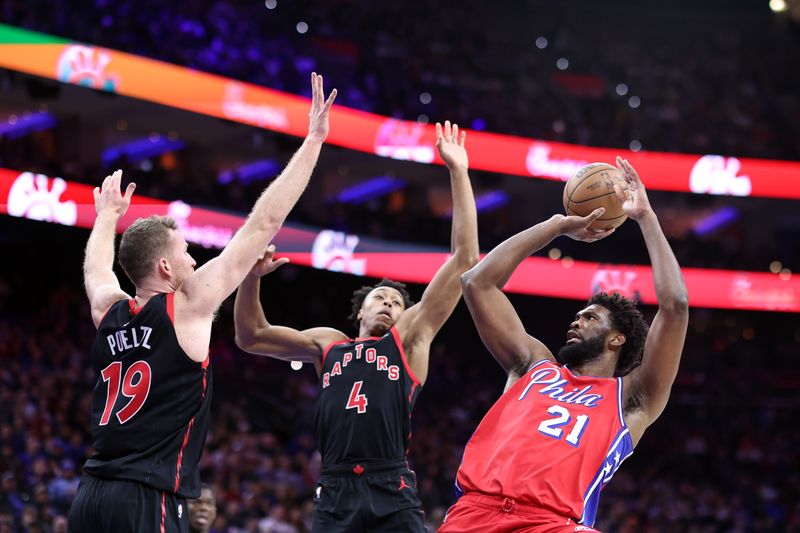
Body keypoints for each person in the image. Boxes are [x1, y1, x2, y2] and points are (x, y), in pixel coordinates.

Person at [67, 72, 337, 533]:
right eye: (186, 253)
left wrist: (106, 218)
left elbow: (96, 272)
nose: (194, 260)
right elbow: (262, 224)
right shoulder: (186, 305)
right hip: (146, 497)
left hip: (90, 496)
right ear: (166, 271)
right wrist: (313, 142)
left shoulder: (108, 312)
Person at [234, 121, 479, 532]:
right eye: (379, 298)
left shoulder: (410, 339)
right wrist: (250, 277)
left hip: (391, 484)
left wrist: (458, 172)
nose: (388, 303)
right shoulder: (330, 345)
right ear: (359, 314)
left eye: (397, 302)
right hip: (335, 487)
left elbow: (465, 258)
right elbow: (250, 336)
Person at [440, 158, 689, 532]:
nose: (577, 320)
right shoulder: (533, 367)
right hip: (475, 513)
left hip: (553, 524)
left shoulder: (631, 399)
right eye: (578, 315)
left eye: (591, 317)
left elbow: (675, 306)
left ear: (617, 338)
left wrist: (646, 218)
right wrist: (554, 227)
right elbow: (477, 282)